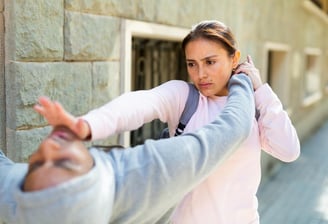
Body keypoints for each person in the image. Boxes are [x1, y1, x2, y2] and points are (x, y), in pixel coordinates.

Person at [34, 20, 300, 224]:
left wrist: (260, 89)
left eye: (210, 62)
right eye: (192, 64)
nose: (201, 74)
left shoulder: (252, 105)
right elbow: (140, 103)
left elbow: (288, 151)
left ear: (234, 58)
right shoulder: (185, 97)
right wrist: (88, 125)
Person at [0, 74, 255, 224]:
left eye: (35, 162)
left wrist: (87, 125)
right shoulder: (142, 178)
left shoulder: (11, 194)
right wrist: (242, 79)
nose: (49, 148)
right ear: (93, 182)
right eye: (62, 163)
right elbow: (233, 128)